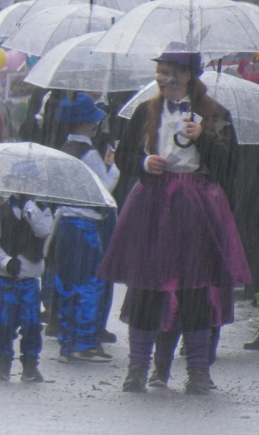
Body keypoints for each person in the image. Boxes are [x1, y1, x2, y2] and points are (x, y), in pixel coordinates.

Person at [99, 45, 251, 394]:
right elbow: (124, 156)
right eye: (160, 70)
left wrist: (206, 141)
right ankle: (139, 366)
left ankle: (197, 369)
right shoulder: (145, 112)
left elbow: (231, 165)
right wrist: (142, 163)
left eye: (168, 71)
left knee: (196, 288)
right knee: (147, 285)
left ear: (187, 75)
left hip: (196, 205)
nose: (161, 77)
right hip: (153, 202)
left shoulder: (213, 114)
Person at [51, 93, 118, 363]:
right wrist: (112, 166)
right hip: (86, 226)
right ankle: (86, 342)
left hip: (64, 224)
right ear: (85, 124)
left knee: (66, 284)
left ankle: (67, 341)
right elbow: (104, 189)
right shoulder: (90, 154)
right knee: (90, 284)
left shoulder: (63, 151)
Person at [0, 172, 54, 383]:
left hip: (30, 280)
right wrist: (4, 261)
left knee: (32, 323)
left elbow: (43, 231)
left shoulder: (42, 209)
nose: (25, 186)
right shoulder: (0, 212)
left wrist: (30, 208)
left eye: (31, 182)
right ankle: (2, 363)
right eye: (21, 182)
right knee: (4, 322)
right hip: (6, 280)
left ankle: (30, 365)